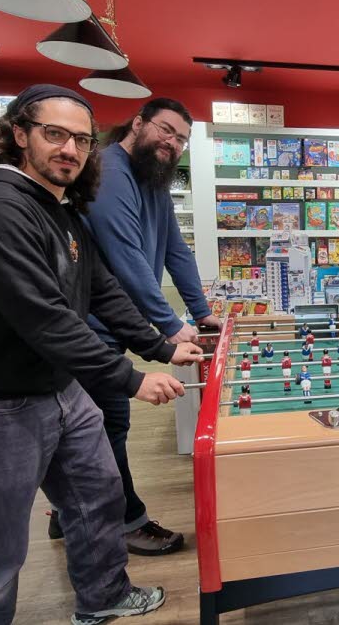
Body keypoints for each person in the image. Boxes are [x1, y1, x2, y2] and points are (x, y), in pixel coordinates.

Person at [0, 84, 203, 625]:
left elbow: (102, 290)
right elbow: (43, 317)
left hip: (57, 387)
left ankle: (103, 597)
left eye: (81, 139)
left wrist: (160, 346)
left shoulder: (59, 207)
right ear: (19, 134)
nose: (70, 149)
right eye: (54, 134)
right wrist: (131, 378)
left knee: (98, 494)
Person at [55, 97, 216, 557]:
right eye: (166, 130)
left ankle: (66, 514)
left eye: (181, 139)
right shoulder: (110, 170)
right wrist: (167, 325)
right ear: (139, 123)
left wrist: (201, 311)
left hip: (112, 325)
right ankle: (127, 521)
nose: (173, 143)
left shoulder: (151, 179)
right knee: (108, 426)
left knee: (92, 427)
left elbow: (175, 250)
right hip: (89, 327)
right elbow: (124, 255)